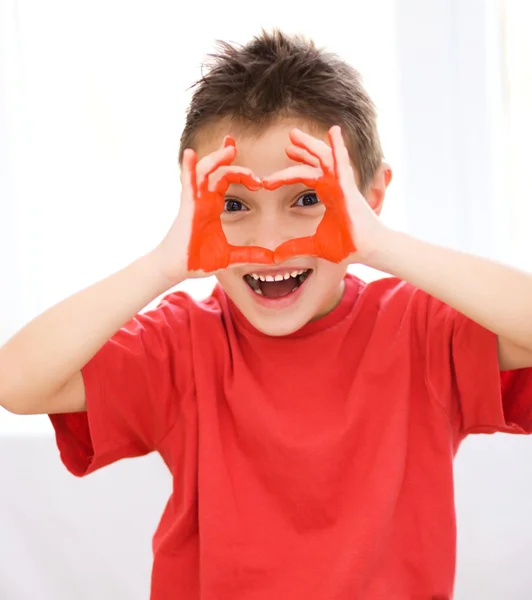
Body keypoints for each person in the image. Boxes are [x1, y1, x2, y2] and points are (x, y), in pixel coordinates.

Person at [1, 28, 531, 600]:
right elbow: (17, 382)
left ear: (371, 199)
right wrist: (162, 265)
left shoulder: (420, 332)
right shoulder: (184, 344)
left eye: (307, 198)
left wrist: (383, 245)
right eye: (234, 205)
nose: (269, 240)